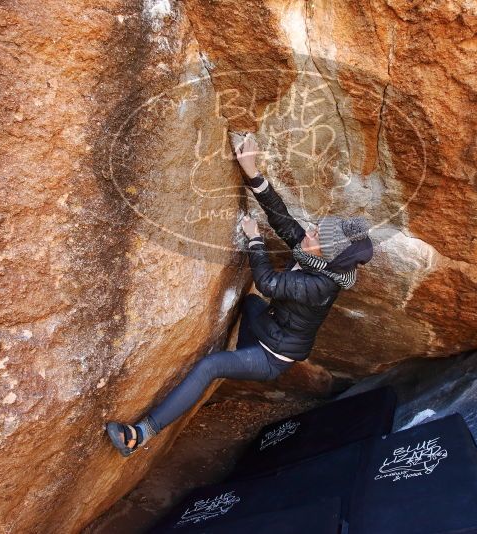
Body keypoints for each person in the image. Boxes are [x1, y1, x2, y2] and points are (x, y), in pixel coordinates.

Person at [105, 135, 374, 457]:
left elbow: (268, 282)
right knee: (248, 302)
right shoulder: (316, 257)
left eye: (316, 235)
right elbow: (283, 219)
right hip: (267, 327)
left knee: (210, 366)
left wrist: (255, 241)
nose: (310, 233)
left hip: (272, 356)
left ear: (328, 255)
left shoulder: (322, 285)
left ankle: (139, 435)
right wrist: (252, 172)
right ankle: (236, 359)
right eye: (315, 229)